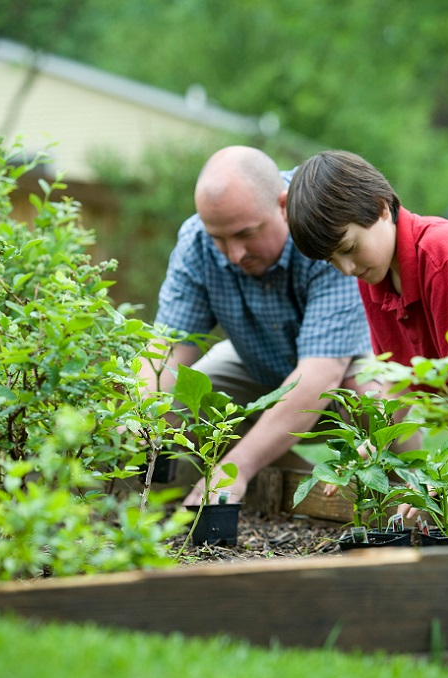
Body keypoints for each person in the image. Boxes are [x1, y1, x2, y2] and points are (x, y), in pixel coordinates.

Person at [140, 145, 374, 506]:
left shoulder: (323, 222)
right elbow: (165, 351)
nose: (234, 254)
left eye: (246, 234)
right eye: (220, 238)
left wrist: (236, 467)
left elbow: (320, 374)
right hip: (257, 365)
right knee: (187, 399)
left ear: (283, 205)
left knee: (374, 399)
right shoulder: (197, 243)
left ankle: (401, 499)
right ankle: (292, 488)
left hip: (343, 367)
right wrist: (136, 415)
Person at [285, 148, 448, 497]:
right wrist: (373, 447)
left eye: (347, 248)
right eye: (331, 261)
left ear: (380, 207)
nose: (345, 269)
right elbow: (399, 382)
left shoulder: (440, 252)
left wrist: (446, 472)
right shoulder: (372, 279)